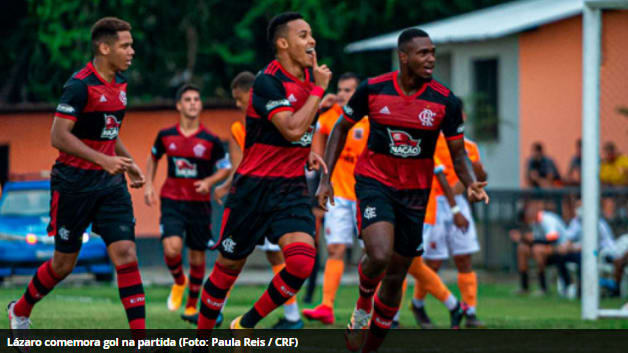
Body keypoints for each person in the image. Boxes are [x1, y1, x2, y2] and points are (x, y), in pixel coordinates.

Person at [316, 28, 488, 352]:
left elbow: (458, 153)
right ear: (404, 56)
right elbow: (340, 128)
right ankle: (363, 306)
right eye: (423, 53)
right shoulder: (373, 89)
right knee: (379, 254)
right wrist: (325, 180)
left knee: (396, 274)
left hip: (415, 193)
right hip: (374, 182)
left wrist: (470, 184)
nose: (431, 59)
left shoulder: (444, 101)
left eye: (433, 52)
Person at [7, 17, 147, 334]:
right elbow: (58, 135)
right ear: (104, 47)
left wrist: (126, 160)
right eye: (126, 45)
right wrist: (102, 159)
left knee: (126, 254)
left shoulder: (120, 84)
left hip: (110, 184)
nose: (132, 51)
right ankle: (20, 309)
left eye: (131, 44)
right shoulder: (79, 86)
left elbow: (108, 129)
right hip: (73, 184)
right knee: (63, 265)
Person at [196, 12, 331, 335]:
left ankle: (245, 324)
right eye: (303, 35)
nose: (311, 41)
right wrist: (320, 92)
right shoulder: (267, 81)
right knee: (227, 268)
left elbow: (302, 131)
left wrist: (310, 150)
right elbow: (290, 128)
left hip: (291, 189)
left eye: (311, 34)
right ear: (282, 43)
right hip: (253, 189)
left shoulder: (310, 82)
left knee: (301, 263)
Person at [211, 71, 304, 329]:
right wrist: (227, 184)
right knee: (233, 260)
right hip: (253, 195)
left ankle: (292, 316)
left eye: (239, 99)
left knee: (275, 259)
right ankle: (217, 312)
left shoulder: (274, 119)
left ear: (251, 94)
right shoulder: (239, 127)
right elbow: (241, 162)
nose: (238, 104)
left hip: (268, 198)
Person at [144, 84, 231, 324]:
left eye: (196, 99)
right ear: (179, 106)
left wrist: (209, 181)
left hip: (199, 204)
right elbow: (153, 157)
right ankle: (179, 281)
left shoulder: (210, 139)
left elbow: (225, 168)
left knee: (196, 257)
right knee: (171, 248)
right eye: (188, 99)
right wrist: (149, 185)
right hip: (172, 200)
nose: (193, 103)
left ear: (200, 105)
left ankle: (192, 306)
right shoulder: (166, 135)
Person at [301, 72, 368, 325]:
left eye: (349, 90)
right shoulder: (330, 117)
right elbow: (311, 146)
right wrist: (318, 106)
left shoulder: (369, 120)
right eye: (340, 89)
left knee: (373, 254)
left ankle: (374, 309)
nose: (343, 95)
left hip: (365, 195)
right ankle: (326, 306)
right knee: (335, 248)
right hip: (337, 195)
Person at [419, 129, 487, 328]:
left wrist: (479, 174)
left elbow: (476, 176)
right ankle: (418, 305)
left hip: (458, 203)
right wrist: (454, 207)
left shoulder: (470, 145)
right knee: (431, 262)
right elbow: (439, 175)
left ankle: (470, 311)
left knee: (464, 257)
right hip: (434, 203)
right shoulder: (430, 140)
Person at [510, 202, 571, 296]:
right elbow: (535, 239)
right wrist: (522, 238)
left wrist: (529, 239)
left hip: (561, 248)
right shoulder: (534, 223)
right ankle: (524, 287)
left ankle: (543, 288)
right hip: (546, 248)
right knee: (522, 248)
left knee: (537, 249)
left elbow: (553, 238)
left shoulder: (547, 219)